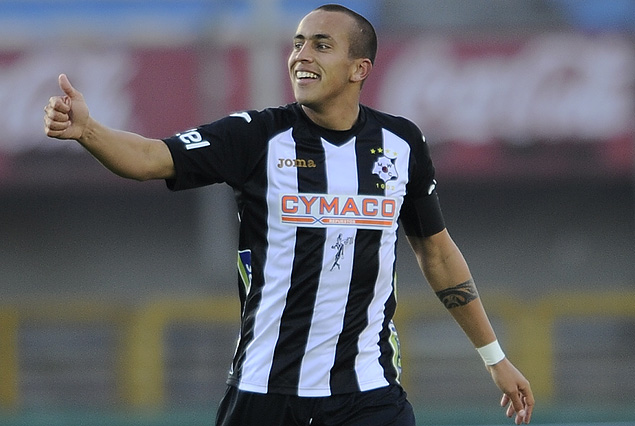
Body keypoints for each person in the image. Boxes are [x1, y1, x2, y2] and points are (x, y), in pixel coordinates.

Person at [44, 4, 534, 425]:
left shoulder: (401, 144)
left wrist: (494, 357)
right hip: (265, 393)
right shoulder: (256, 136)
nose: (301, 55)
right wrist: (89, 131)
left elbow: (437, 252)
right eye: (298, 43)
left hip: (367, 393)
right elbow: (151, 158)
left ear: (359, 68)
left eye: (321, 45)